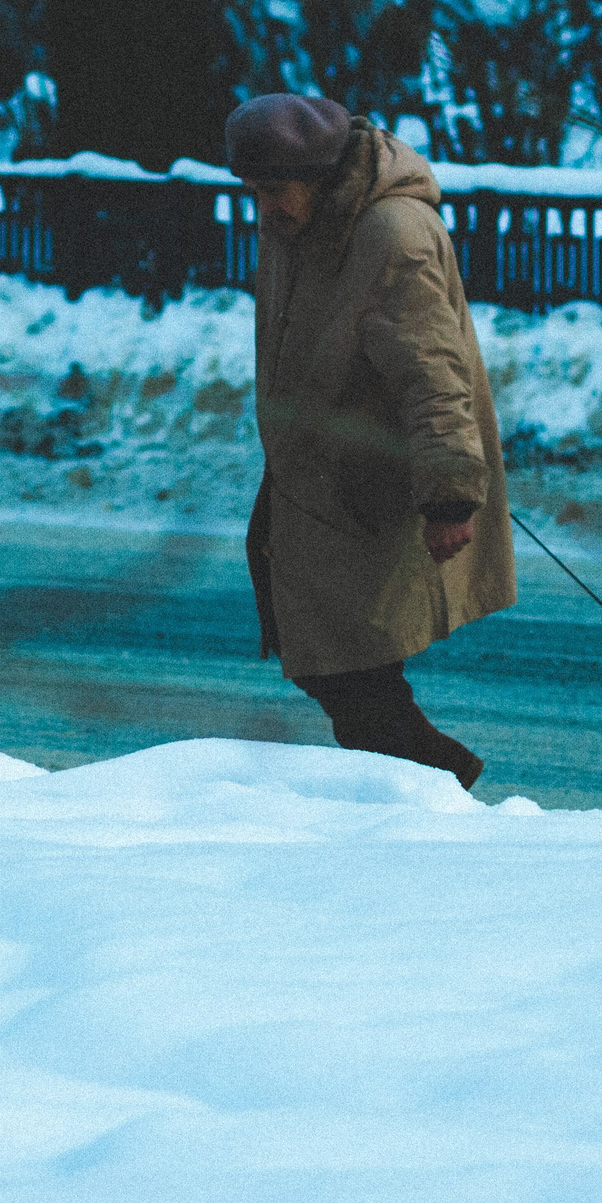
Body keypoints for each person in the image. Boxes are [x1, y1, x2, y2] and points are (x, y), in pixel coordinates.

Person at [229, 93, 515, 790]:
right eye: (253, 192)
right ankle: (416, 794)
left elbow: (431, 371)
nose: (264, 208)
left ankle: (434, 789)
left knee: (348, 664)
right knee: (322, 649)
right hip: (314, 467)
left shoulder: (390, 233)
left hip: (375, 477)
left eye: (275, 190)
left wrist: (449, 491)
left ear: (322, 175)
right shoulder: (297, 226)